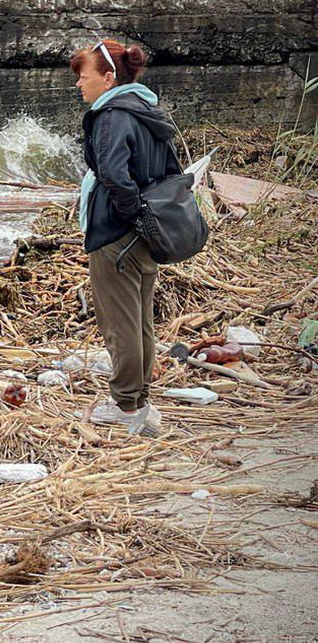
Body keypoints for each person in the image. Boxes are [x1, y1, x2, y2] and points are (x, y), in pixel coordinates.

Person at [70, 39, 181, 435]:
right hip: (146, 233)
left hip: (117, 233)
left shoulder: (111, 116)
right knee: (141, 322)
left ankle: (126, 404)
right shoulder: (148, 109)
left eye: (84, 78)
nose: (80, 86)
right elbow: (171, 171)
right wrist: (149, 222)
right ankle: (140, 399)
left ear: (108, 77)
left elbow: (115, 176)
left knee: (119, 324)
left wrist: (132, 216)